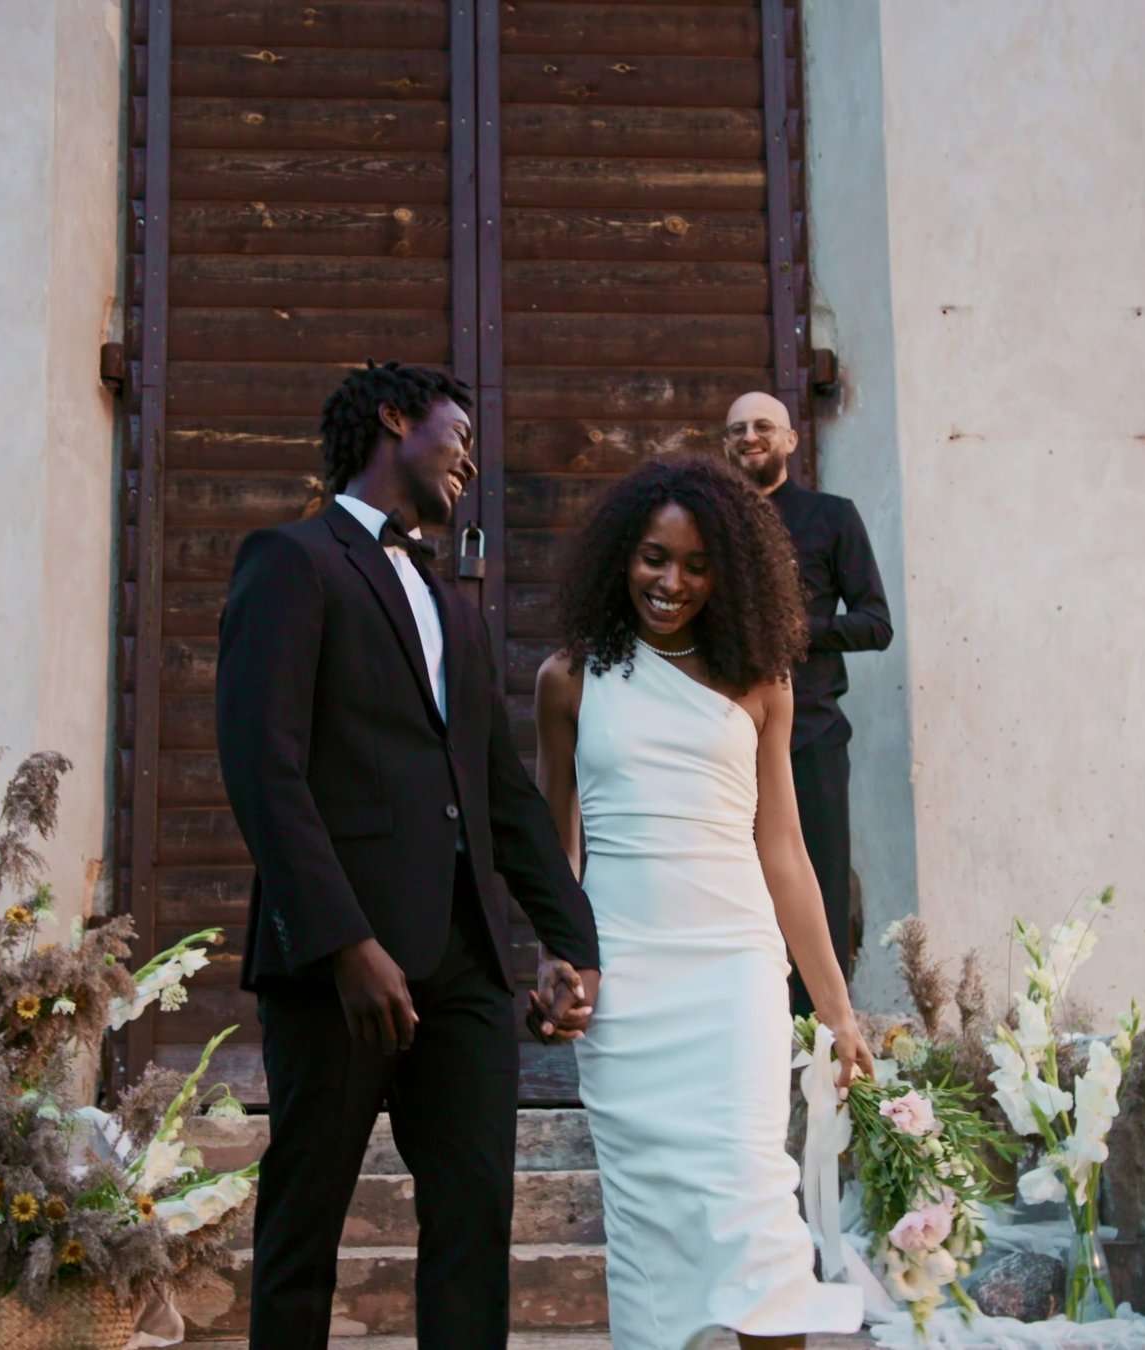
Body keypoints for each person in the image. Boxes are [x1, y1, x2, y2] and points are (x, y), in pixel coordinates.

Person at [216, 362, 603, 1350]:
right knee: (303, 1228)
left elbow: (503, 792)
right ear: (395, 419)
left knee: (474, 1223)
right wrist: (345, 943)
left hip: (467, 966)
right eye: (457, 432)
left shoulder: (455, 603)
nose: (470, 457)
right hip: (337, 968)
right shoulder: (291, 560)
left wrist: (572, 941)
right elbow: (265, 768)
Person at [532, 454, 873, 1350]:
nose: (671, 581)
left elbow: (785, 851)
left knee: (755, 1204)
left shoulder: (763, 683)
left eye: (694, 564)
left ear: (730, 572)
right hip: (628, 982)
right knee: (648, 1228)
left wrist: (836, 1010)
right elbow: (555, 854)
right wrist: (554, 960)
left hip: (733, 972)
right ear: (622, 558)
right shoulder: (567, 681)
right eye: (653, 558)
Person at [723, 392, 892, 1014]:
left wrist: (795, 632)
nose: (749, 437)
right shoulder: (707, 525)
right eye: (736, 429)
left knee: (816, 886)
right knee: (737, 891)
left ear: (791, 440)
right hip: (725, 743)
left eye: (763, 426)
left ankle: (818, 1042)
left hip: (812, 737)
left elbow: (877, 623)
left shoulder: (833, 516)